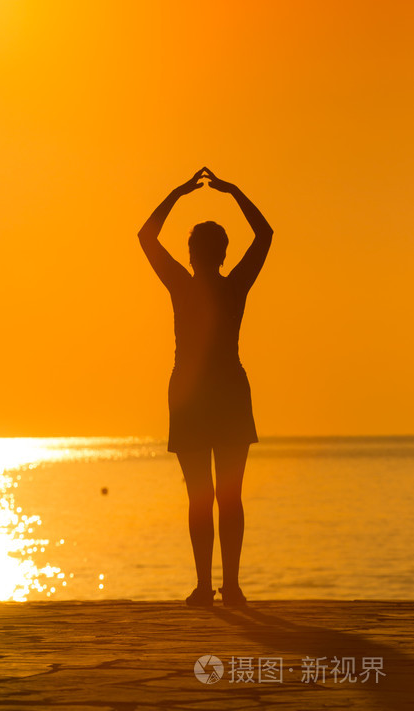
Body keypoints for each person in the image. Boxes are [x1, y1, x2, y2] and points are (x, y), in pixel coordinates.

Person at [137, 167, 273, 608]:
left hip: (193, 394)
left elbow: (146, 236)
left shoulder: (182, 285)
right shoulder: (235, 286)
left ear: (193, 255)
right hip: (227, 392)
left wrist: (177, 192)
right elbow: (265, 233)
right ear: (223, 254)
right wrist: (235, 192)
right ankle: (228, 586)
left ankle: (205, 586)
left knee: (201, 496)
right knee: (228, 496)